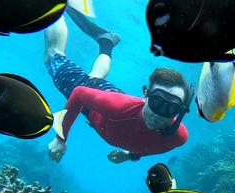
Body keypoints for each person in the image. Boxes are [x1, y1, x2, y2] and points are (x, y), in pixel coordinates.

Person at [44, 8, 192, 164]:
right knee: (52, 57)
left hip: (104, 105)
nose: (159, 114)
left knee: (94, 78)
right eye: (157, 102)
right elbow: (80, 93)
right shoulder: (119, 107)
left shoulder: (178, 136)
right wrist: (60, 138)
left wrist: (130, 155)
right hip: (100, 103)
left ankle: (106, 41)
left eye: (170, 108)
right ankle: (54, 5)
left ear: (179, 111)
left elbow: (157, 146)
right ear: (145, 95)